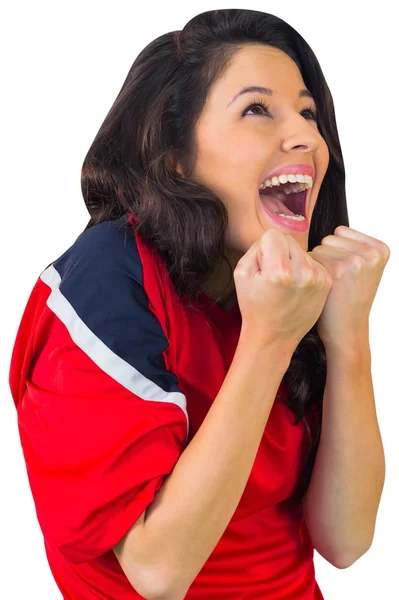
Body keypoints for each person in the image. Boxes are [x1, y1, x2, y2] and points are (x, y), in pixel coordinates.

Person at [8, 8, 381, 600]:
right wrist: (270, 339)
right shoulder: (102, 285)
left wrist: (349, 335)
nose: (307, 138)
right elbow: (158, 572)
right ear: (176, 156)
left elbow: (347, 540)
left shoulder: (280, 281)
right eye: (258, 110)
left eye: (309, 114)